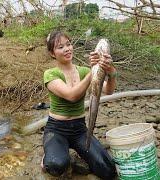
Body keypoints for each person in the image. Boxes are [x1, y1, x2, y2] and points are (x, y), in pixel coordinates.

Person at [41, 30, 117, 179]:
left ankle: (73, 150)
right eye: (60, 47)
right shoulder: (50, 74)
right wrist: (93, 70)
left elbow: (109, 90)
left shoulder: (83, 71)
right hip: (56, 129)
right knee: (56, 166)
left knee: (108, 170)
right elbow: (72, 96)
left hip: (80, 129)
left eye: (68, 44)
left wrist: (111, 70)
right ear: (52, 53)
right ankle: (49, 154)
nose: (67, 49)